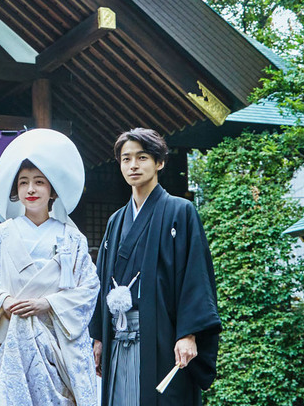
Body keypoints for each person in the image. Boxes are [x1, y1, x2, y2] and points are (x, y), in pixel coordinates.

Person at [0, 128, 101, 406]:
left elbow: (89, 288)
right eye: (24, 182)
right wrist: (4, 300)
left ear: (52, 190)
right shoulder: (0, 236)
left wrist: (47, 303)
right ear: (16, 190)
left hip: (56, 346)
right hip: (9, 343)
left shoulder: (71, 238)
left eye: (39, 182)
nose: (31, 189)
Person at [88, 128, 220, 406]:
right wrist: (99, 336)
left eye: (142, 157)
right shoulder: (116, 221)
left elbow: (195, 276)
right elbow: (100, 282)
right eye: (126, 159)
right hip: (118, 334)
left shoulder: (180, 212)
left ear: (159, 162)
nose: (133, 165)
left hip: (162, 334)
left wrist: (188, 334)